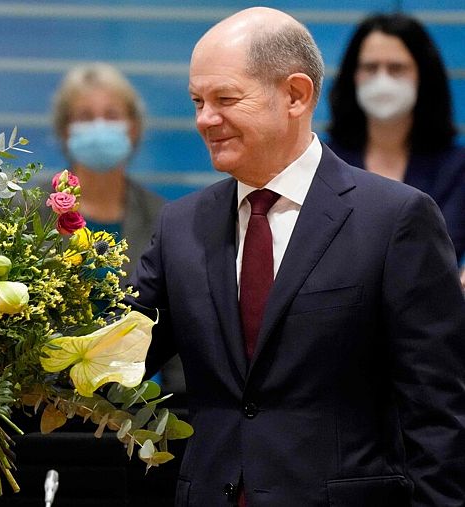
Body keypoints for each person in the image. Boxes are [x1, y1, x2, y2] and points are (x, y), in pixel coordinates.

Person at [131, 7, 465, 506]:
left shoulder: (394, 219)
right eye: (197, 101)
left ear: (295, 94)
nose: (205, 119)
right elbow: (112, 359)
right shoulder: (182, 225)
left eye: (225, 99)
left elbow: (436, 411)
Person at [51, 63, 187, 411]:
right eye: (85, 115)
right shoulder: (27, 214)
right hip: (40, 407)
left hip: (135, 417)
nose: (99, 126)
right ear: (65, 131)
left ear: (134, 128)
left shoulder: (166, 219)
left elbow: (179, 332)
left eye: (111, 115)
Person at [328, 12, 465, 274]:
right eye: (370, 68)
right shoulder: (324, 160)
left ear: (422, 75)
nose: (383, 80)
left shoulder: (457, 167)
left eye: (396, 68)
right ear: (353, 76)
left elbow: (445, 249)